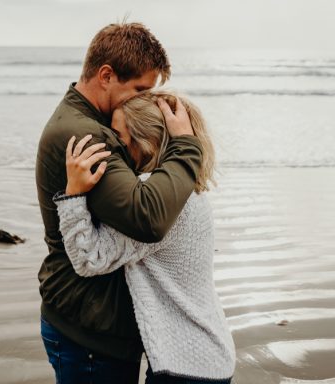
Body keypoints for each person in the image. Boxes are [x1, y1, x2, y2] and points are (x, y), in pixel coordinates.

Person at [35, 22, 204, 383]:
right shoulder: (87, 134)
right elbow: (147, 217)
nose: (145, 100)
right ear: (107, 75)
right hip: (89, 331)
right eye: (140, 89)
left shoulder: (89, 120)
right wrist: (186, 146)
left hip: (93, 323)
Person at [54, 91, 236, 383]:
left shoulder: (154, 200)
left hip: (183, 366)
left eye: (118, 136)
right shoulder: (189, 191)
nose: (112, 145)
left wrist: (73, 194)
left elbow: (89, 259)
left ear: (146, 142)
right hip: (211, 355)